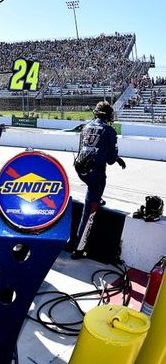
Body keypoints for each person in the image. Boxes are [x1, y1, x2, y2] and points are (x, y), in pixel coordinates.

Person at [71, 101, 126, 259]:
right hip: (96, 174)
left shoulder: (86, 126)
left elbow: (85, 149)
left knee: (94, 189)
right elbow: (109, 159)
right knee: (89, 213)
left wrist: (116, 158)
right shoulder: (109, 130)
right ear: (108, 116)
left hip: (80, 169)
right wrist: (116, 158)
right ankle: (79, 249)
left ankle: (96, 198)